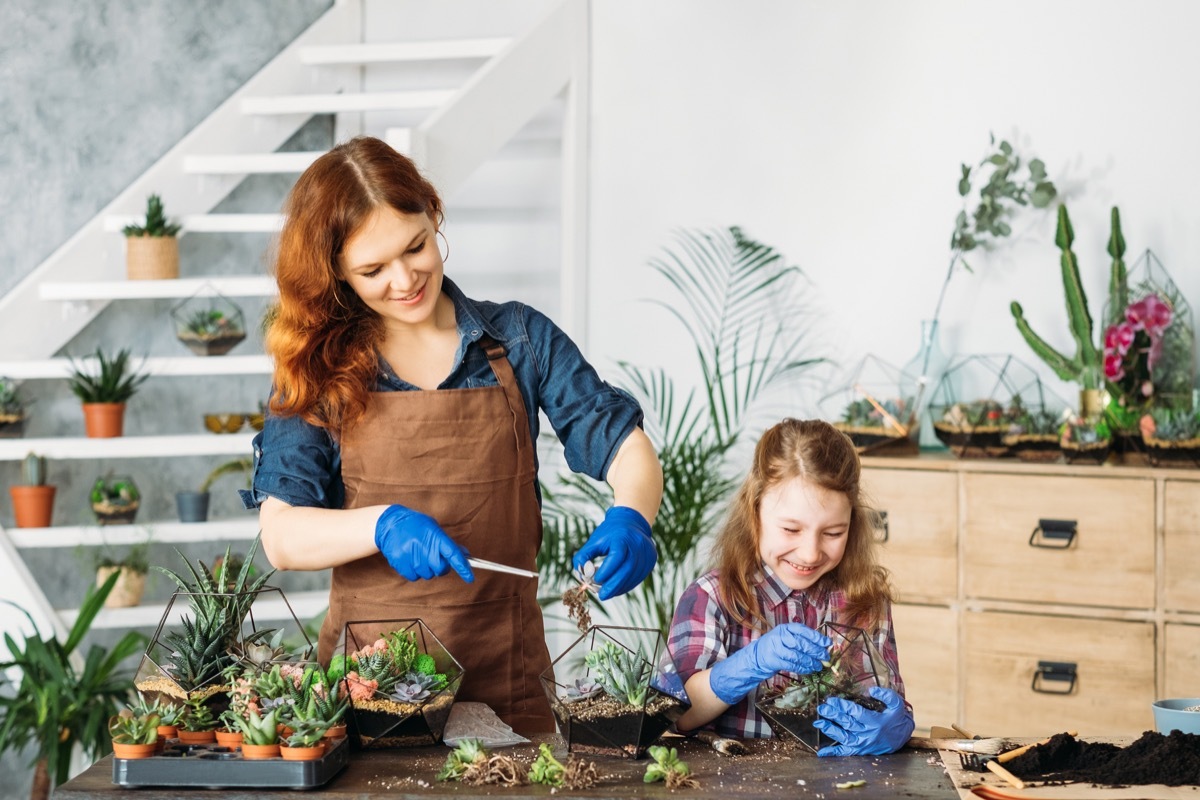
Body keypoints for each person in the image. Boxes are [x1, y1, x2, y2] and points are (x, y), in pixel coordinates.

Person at [241, 135, 664, 735]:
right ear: (336, 274)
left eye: (415, 247)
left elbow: (622, 443)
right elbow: (282, 536)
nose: (405, 278)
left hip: (509, 680)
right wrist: (381, 523)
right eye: (372, 269)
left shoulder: (519, 340)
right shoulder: (320, 369)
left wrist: (632, 516)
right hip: (372, 695)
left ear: (433, 216)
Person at [667, 418, 913, 755]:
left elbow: (886, 700)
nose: (810, 553)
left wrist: (895, 726)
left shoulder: (863, 598)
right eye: (790, 530)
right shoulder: (712, 596)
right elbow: (678, 715)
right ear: (754, 513)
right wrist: (749, 663)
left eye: (833, 533)